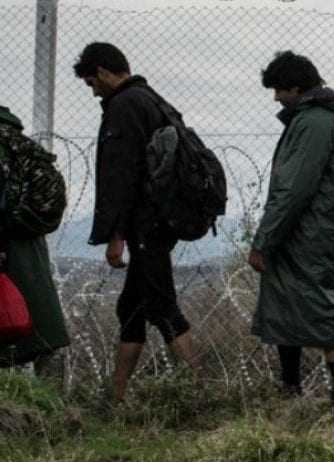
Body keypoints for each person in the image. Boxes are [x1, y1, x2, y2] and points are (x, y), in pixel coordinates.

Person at [73, 42, 198, 402]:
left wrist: (117, 235)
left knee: (161, 305)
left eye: (91, 82)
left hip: (146, 223)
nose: (93, 90)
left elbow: (121, 176)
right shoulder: (152, 99)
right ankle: (116, 396)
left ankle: (197, 391)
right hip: (162, 218)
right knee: (131, 307)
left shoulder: (125, 106)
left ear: (103, 72)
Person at [250, 51, 334, 408]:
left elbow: (293, 187)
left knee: (323, 313)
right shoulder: (327, 121)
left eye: (279, 90)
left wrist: (264, 240)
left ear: (296, 87)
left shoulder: (313, 122)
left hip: (305, 234)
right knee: (290, 309)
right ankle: (294, 392)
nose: (276, 98)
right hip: (316, 231)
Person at [0, 105, 69, 372]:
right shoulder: (19, 142)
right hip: (29, 241)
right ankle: (50, 406)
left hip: (5, 242)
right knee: (41, 329)